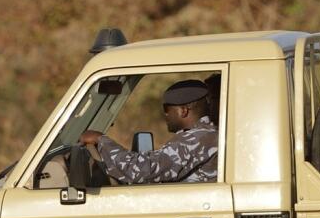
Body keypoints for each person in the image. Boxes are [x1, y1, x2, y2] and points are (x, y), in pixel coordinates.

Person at [79, 79, 218, 184]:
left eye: (167, 109)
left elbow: (141, 170)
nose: (165, 115)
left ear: (183, 111)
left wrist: (101, 140)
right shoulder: (206, 135)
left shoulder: (198, 138)